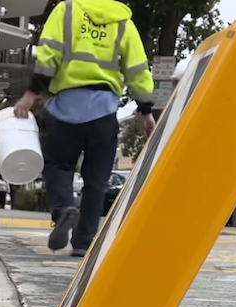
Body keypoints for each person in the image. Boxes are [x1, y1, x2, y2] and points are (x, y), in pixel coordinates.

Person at [13, 0, 154, 257]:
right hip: (104, 112)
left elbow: (48, 56)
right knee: (96, 180)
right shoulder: (122, 21)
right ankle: (84, 242)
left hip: (66, 108)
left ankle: (63, 210)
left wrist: (32, 93)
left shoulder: (66, 11)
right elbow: (137, 69)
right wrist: (145, 110)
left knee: (58, 165)